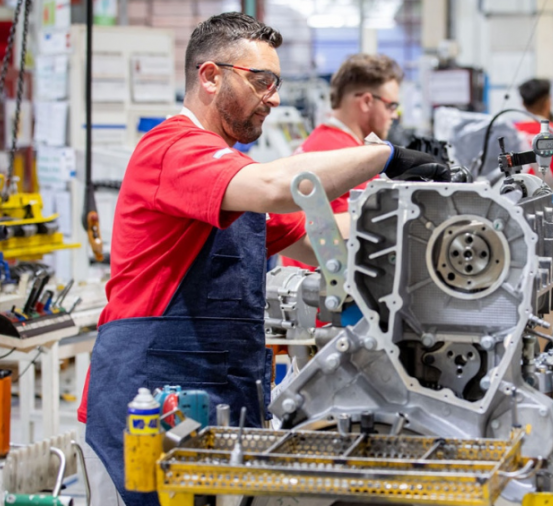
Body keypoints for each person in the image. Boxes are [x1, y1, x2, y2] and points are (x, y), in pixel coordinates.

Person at [78, 13, 447, 506]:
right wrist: (382, 157)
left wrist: (418, 214)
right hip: (146, 407)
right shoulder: (172, 149)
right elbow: (278, 186)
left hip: (214, 401)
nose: (273, 98)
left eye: (276, 83)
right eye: (261, 81)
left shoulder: (233, 177)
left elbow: (315, 238)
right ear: (211, 76)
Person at [283, 53, 403, 270]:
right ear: (367, 101)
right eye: (391, 106)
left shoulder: (321, 142)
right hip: (327, 283)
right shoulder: (350, 160)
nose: (394, 115)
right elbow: (367, 236)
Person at [512, 78, 553, 186]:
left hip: (510, 195)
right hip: (549, 195)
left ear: (523, 104)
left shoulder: (510, 133)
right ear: (548, 102)